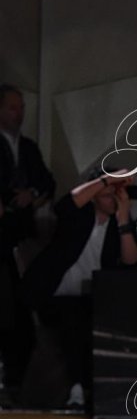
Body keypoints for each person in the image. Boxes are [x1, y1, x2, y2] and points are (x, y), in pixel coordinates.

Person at [21, 167, 137, 409]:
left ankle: (108, 391)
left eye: (117, 195)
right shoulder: (79, 216)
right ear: (94, 196)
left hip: (94, 299)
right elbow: (64, 205)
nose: (113, 200)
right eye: (107, 195)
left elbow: (131, 262)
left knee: (101, 317)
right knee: (73, 316)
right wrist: (106, 180)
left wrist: (123, 221)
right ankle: (77, 388)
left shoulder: (119, 225)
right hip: (54, 294)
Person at [0, 85, 56, 401]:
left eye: (21, 107)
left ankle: (15, 383)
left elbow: (47, 183)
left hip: (23, 239)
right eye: (12, 108)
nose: (18, 114)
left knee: (23, 313)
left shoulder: (29, 148)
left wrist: (31, 196)